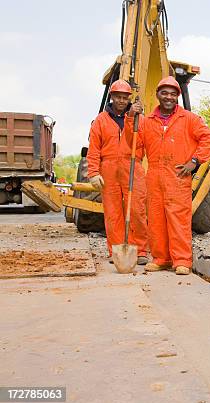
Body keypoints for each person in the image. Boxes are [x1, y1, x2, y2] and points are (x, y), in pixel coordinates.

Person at [125, 76, 210, 275]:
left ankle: (181, 260)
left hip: (178, 176)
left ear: (178, 97)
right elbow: (133, 144)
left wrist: (195, 161)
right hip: (155, 175)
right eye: (164, 93)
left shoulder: (189, 119)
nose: (168, 97)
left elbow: (208, 138)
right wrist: (131, 118)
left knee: (178, 220)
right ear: (157, 95)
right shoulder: (147, 121)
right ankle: (161, 258)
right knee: (156, 220)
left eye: (173, 94)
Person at [87, 79, 148, 266]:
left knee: (137, 210)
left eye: (124, 97)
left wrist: (132, 117)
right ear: (111, 97)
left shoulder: (138, 119)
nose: (121, 100)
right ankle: (117, 249)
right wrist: (93, 172)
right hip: (109, 168)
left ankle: (141, 250)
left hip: (132, 166)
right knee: (113, 212)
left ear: (129, 98)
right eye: (118, 97)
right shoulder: (100, 120)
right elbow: (94, 148)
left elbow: (143, 144)